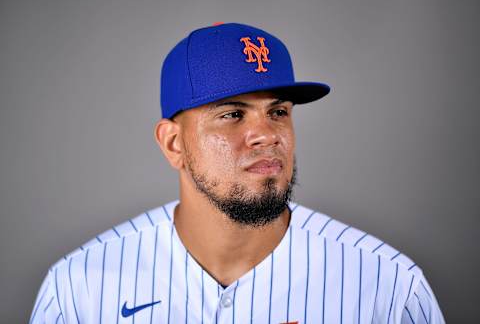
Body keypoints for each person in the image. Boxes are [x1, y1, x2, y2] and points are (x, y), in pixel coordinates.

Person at [30, 22, 445, 323]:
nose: (266, 135)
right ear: (173, 144)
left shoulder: (386, 284)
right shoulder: (79, 289)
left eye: (278, 112)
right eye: (232, 114)